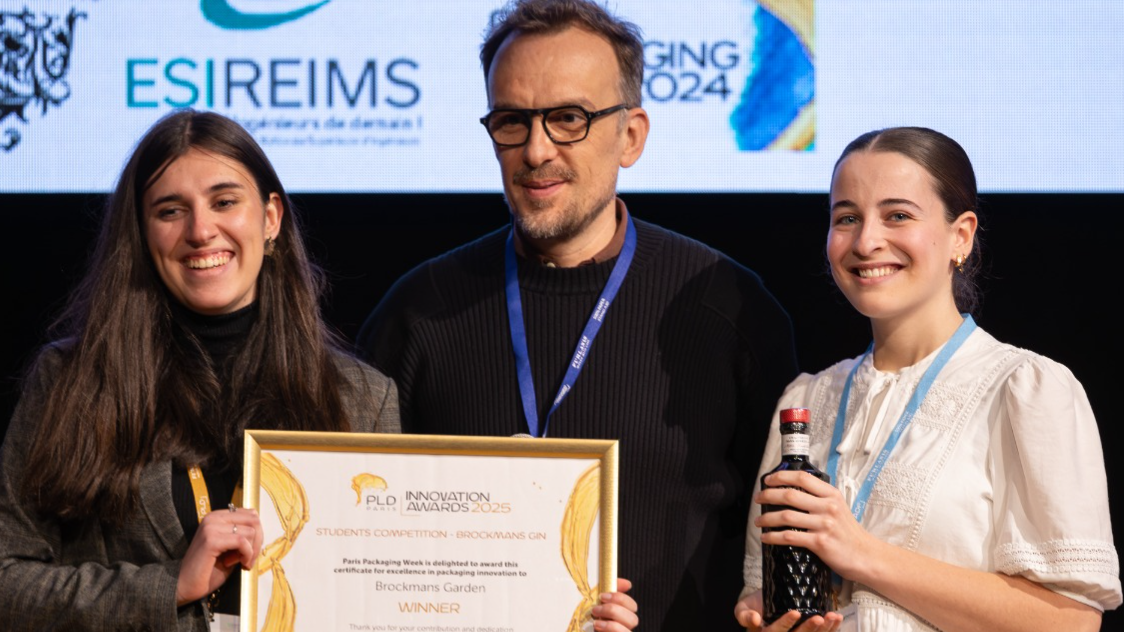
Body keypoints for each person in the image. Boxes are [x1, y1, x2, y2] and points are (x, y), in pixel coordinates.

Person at [356, 1, 798, 630]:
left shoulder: (728, 308)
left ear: (631, 136)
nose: (536, 150)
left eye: (568, 119)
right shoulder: (419, 312)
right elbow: (363, 531)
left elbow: (780, 537)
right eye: (512, 120)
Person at [0, 109, 401, 631]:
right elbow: (7, 581)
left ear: (271, 218)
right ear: (142, 233)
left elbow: (381, 595)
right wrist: (168, 587)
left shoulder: (363, 399)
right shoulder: (70, 383)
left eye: (225, 202)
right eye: (170, 211)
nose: (201, 230)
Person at [734, 126, 1122, 632]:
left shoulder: (1025, 389)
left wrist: (862, 553)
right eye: (847, 218)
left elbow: (1071, 622)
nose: (867, 241)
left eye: (897, 215)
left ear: (961, 236)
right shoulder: (808, 399)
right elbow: (762, 589)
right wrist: (764, 613)